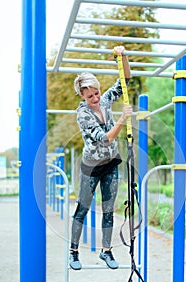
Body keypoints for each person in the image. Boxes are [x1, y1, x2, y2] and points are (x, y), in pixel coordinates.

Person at [70, 45, 132, 270]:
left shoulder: (104, 100)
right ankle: (74, 251)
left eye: (96, 92)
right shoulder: (83, 114)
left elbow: (125, 80)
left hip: (111, 163)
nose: (95, 98)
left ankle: (106, 251)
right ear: (82, 96)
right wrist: (122, 120)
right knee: (83, 208)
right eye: (90, 96)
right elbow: (104, 139)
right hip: (91, 166)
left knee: (108, 208)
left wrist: (123, 56)